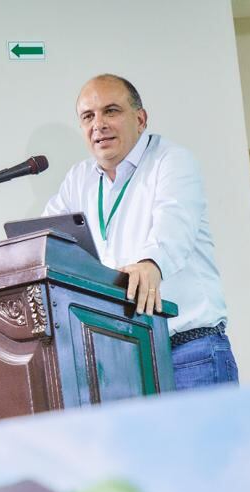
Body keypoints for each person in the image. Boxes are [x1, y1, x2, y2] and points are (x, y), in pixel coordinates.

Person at [43, 74, 237, 390]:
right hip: (121, 360)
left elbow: (174, 228)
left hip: (189, 353)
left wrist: (151, 264)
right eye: (88, 117)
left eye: (111, 111)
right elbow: (46, 240)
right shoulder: (78, 180)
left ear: (140, 118)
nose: (99, 124)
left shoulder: (171, 161)